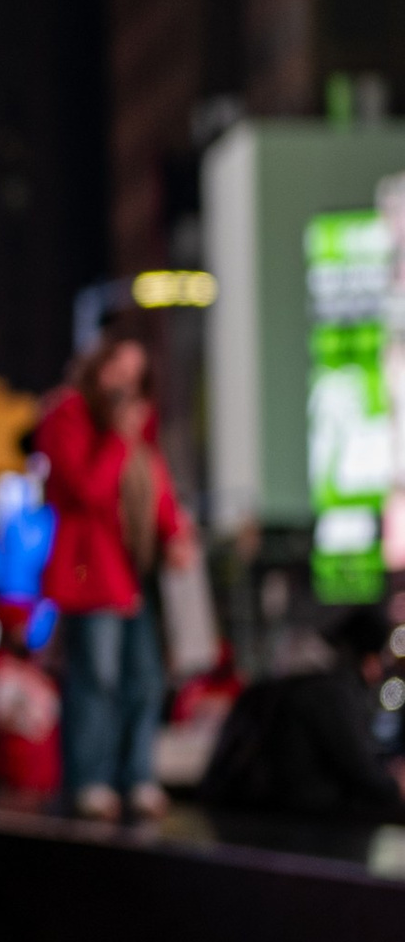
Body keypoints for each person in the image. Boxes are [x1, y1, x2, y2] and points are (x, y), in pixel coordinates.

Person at [35, 320, 196, 821]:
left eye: (136, 374)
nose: (125, 382)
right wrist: (117, 439)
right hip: (89, 572)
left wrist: (175, 533)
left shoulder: (134, 429)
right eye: (117, 369)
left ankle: (138, 776)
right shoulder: (68, 413)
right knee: (95, 678)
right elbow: (87, 489)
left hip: (133, 574)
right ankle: (91, 779)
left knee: (146, 678)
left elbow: (153, 478)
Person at [198, 605, 403, 823]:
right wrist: (396, 785)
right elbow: (365, 778)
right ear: (370, 660)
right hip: (292, 831)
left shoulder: (284, 681)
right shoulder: (332, 692)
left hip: (240, 820)